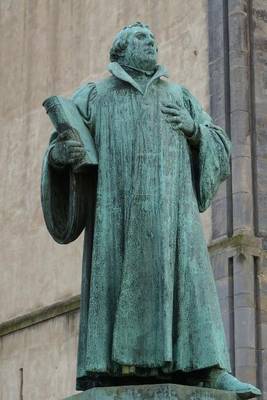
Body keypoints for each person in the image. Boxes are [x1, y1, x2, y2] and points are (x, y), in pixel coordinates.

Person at [41, 22, 261, 397]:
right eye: (141, 37)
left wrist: (195, 131)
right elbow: (61, 145)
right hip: (118, 220)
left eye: (152, 38)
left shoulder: (179, 94)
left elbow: (220, 147)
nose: (151, 41)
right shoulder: (95, 96)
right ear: (120, 49)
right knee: (113, 279)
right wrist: (61, 158)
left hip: (174, 222)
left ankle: (208, 369)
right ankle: (105, 371)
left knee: (191, 284)